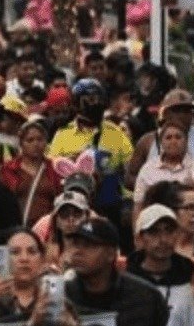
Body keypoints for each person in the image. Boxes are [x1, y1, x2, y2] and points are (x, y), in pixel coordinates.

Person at [63, 218, 169, 326]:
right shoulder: (63, 298)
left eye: (89, 245)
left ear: (111, 254)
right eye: (75, 244)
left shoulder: (147, 298)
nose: (78, 252)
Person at [48, 79, 133, 221]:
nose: (96, 103)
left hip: (110, 205)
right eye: (91, 99)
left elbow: (130, 170)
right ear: (76, 103)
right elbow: (52, 169)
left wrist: (128, 202)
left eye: (99, 98)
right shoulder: (63, 134)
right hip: (75, 206)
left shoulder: (116, 133)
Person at [133, 123, 194, 220]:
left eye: (178, 137)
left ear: (186, 141)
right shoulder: (148, 169)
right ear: (161, 143)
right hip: (159, 225)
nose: (173, 141)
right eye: (168, 138)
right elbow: (138, 205)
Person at [0, 118, 63, 225]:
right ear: (21, 143)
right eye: (30, 140)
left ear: (46, 142)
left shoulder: (55, 168)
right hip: (14, 228)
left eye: (40, 139)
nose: (36, 144)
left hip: (47, 228)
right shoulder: (7, 169)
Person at [127, 204, 194, 299]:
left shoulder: (191, 274)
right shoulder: (127, 279)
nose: (163, 239)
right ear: (140, 238)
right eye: (154, 232)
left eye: (169, 231)